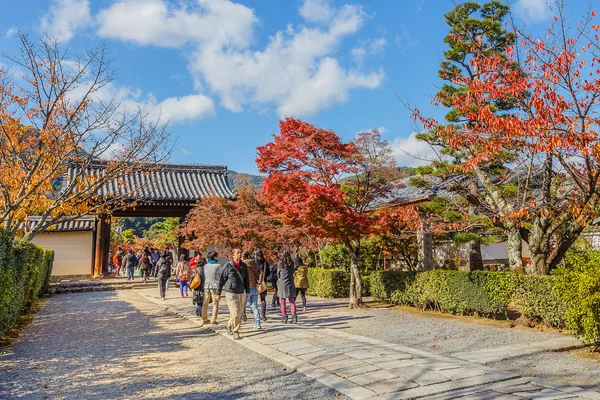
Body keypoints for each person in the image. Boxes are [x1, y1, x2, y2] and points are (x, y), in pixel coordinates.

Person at [216, 248, 250, 340]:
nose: (239, 254)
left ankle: (229, 325)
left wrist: (248, 291)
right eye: (237, 253)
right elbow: (222, 279)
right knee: (235, 312)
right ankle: (235, 331)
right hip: (230, 292)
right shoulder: (228, 266)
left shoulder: (243, 266)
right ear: (233, 255)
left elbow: (246, 279)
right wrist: (218, 293)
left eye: (240, 253)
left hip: (240, 292)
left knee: (239, 313)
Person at [241, 251, 262, 329]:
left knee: (242, 305)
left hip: (245, 288)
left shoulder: (242, 264)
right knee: (254, 306)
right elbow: (261, 272)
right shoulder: (255, 263)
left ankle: (239, 322)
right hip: (254, 287)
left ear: (243, 256)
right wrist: (259, 282)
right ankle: (258, 323)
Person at [202, 251, 222, 325]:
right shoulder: (218, 266)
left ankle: (204, 318)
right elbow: (220, 276)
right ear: (214, 257)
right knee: (215, 303)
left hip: (206, 285)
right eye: (217, 256)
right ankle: (213, 319)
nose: (218, 257)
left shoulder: (205, 266)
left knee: (205, 303)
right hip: (214, 286)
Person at [277, 251, 297, 323]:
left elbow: (278, 274)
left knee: (282, 301)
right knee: (292, 301)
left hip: (282, 284)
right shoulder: (291, 264)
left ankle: (284, 316)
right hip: (290, 283)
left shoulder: (280, 265)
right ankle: (294, 316)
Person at [255, 249, 270, 322]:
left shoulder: (254, 263)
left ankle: (255, 313)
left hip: (255, 282)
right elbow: (268, 273)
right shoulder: (265, 263)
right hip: (263, 282)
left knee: (253, 299)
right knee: (263, 299)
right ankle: (263, 315)